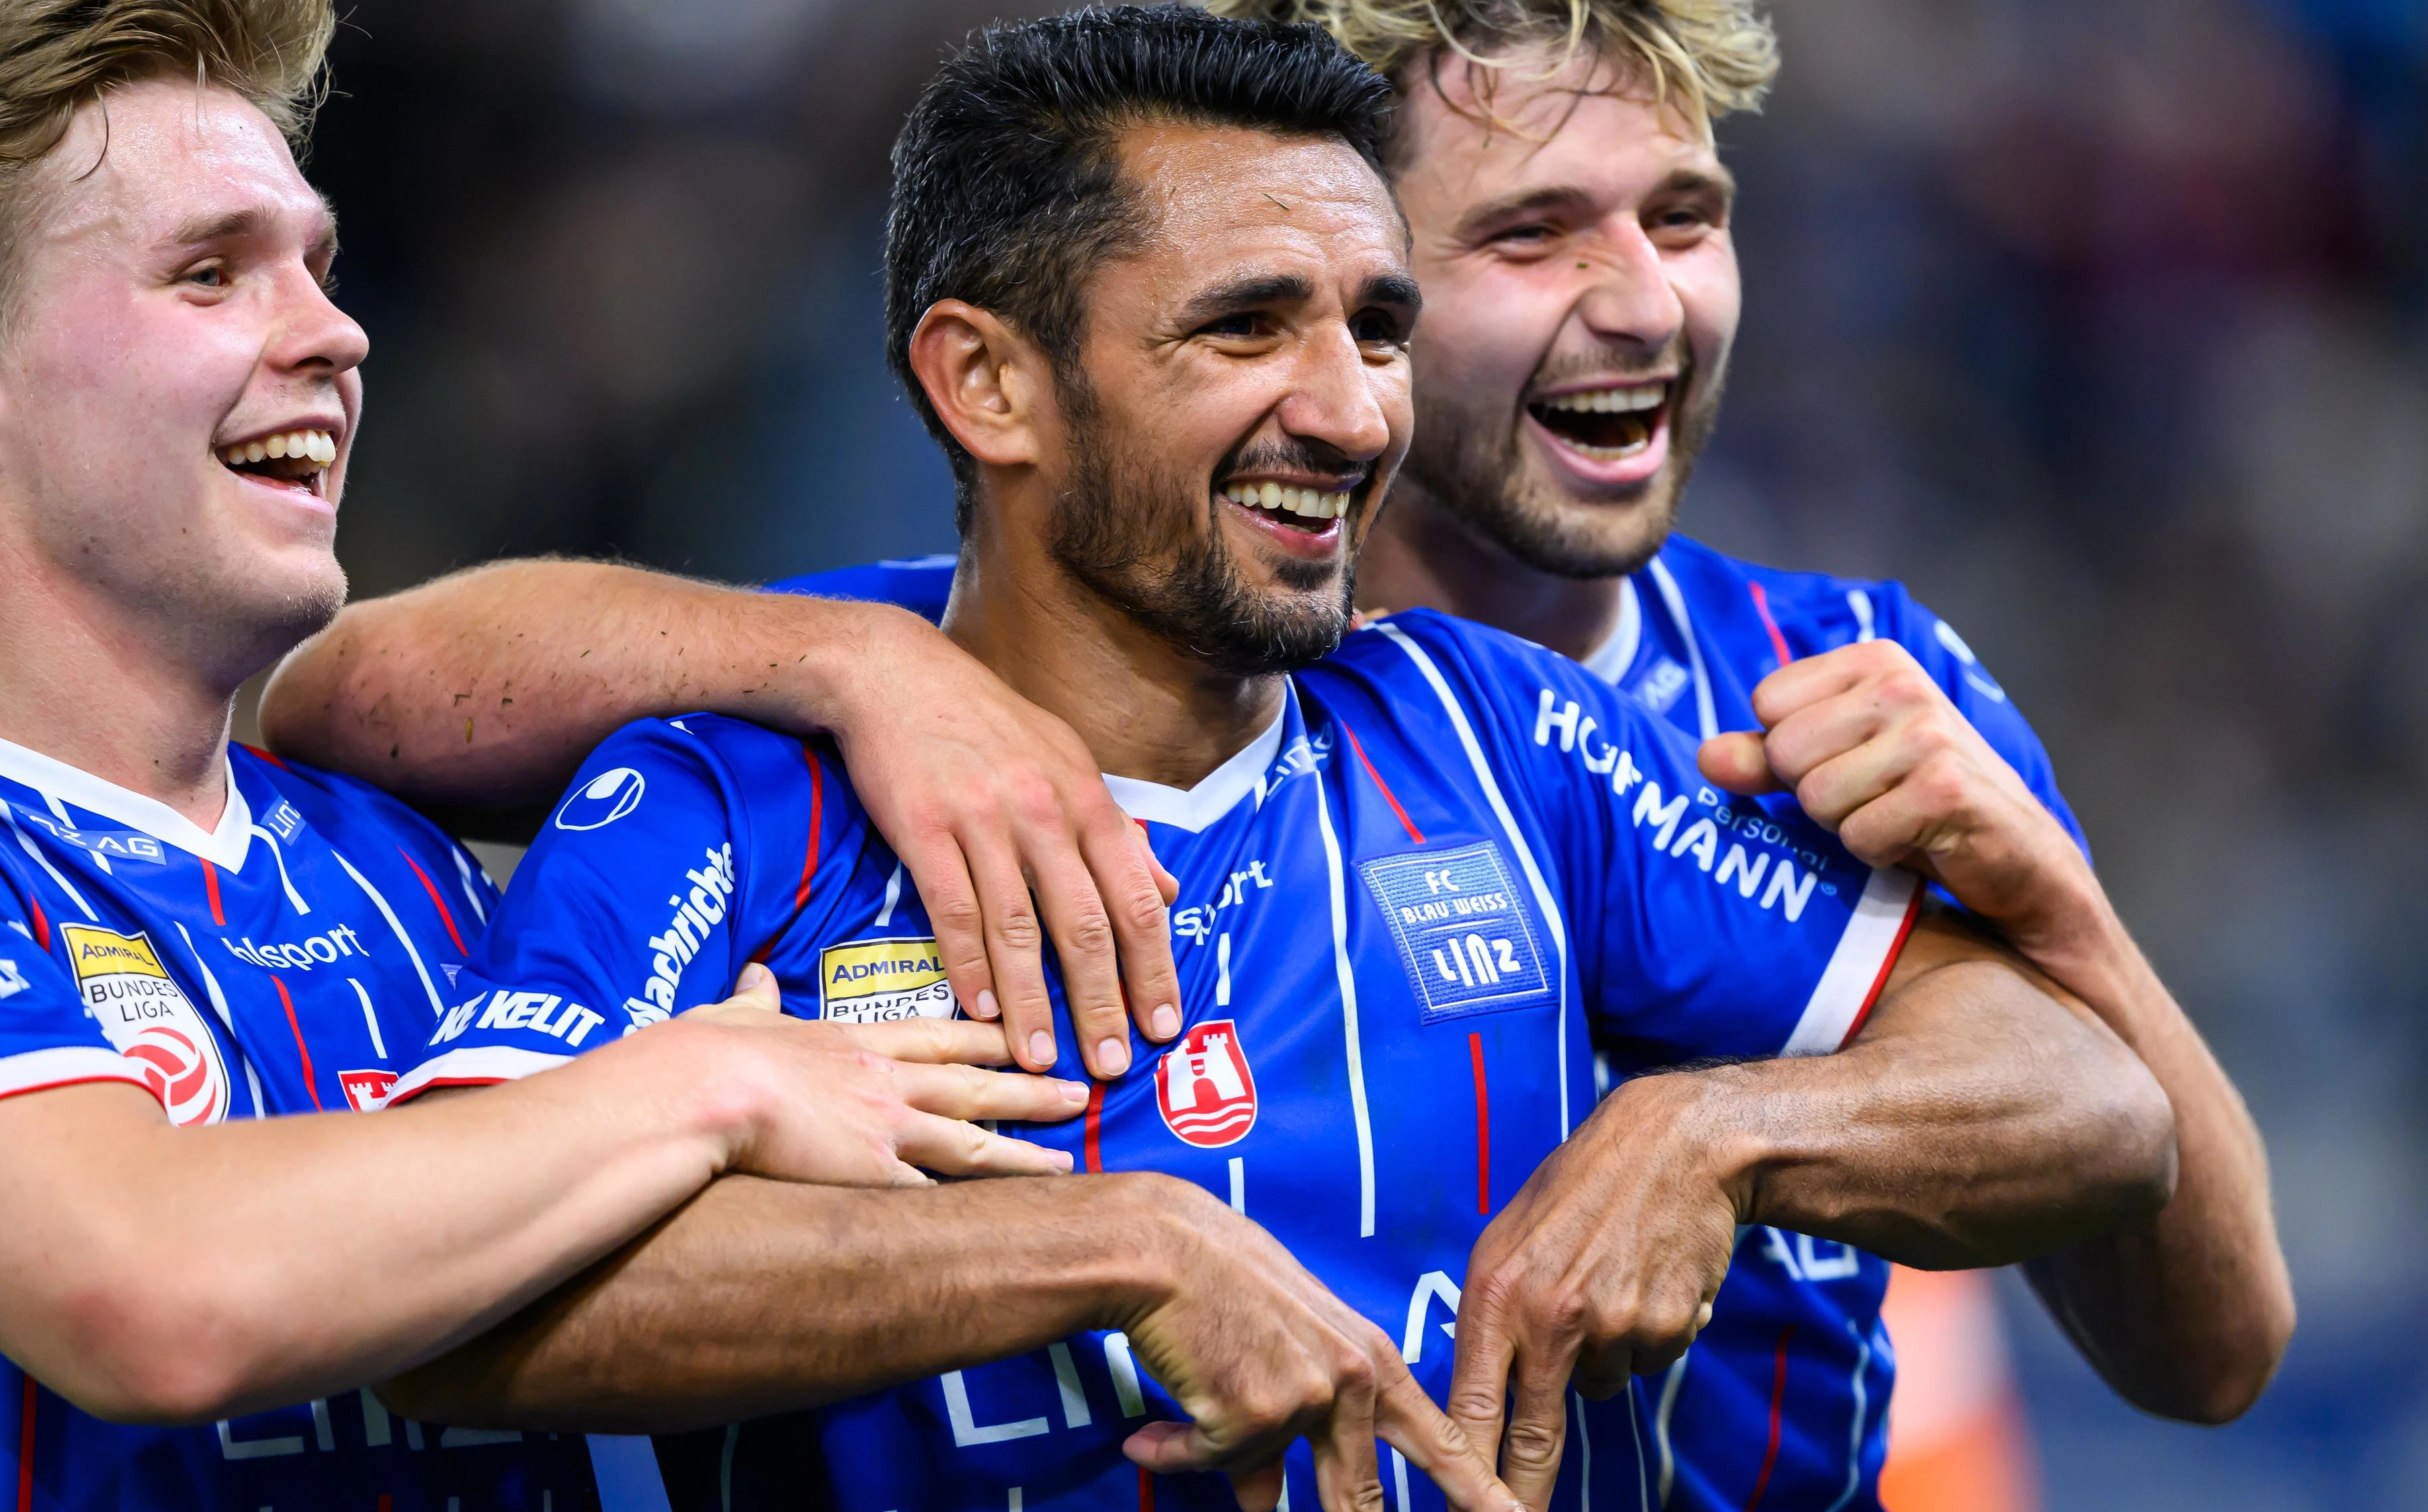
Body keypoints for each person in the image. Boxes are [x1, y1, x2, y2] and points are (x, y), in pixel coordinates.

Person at [324, 11, 2175, 1510]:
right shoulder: (734, 792)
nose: (1354, 410)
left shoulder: (1494, 733)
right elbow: (445, 1297)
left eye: (1376, 325)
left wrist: (1720, 1130)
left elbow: (2092, 1099)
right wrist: (1115, 1251)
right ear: (990, 384)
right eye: (1245, 327)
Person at [789, 1, 2294, 1507]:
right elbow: (549, 662)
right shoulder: (1045, 670)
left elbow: (2207, 1354)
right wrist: (827, 656)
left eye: (1685, 219)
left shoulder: (1849, 686)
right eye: (1531, 236)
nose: (1645, 305)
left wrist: (2042, 924)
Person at [0, 3, 1206, 1507]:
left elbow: (413, 671)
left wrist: (861, 660)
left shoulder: (398, 864)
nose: (333, 331)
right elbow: (157, 1301)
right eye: (206, 276)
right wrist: (701, 1089)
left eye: (318, 266)